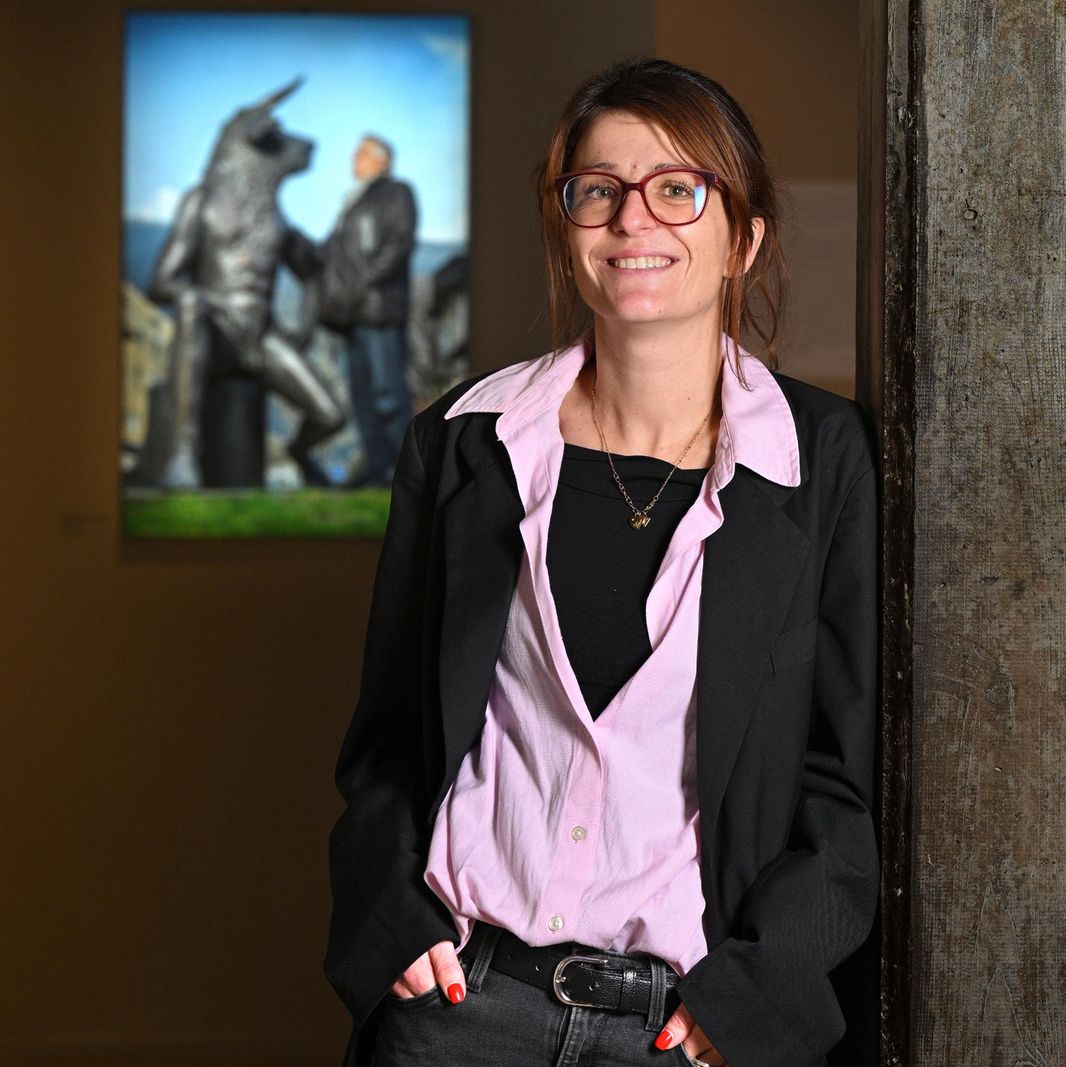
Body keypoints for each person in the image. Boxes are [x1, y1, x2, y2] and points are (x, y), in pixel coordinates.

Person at [326, 58, 878, 1067]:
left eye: (678, 189)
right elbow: (390, 741)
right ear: (565, 224)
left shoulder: (823, 458)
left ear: (742, 237)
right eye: (599, 191)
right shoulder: (461, 444)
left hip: (686, 1029)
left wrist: (757, 993)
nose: (634, 221)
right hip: (459, 1007)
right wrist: (389, 918)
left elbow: (842, 780)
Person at [316, 134, 416, 486]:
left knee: (388, 394)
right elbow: (333, 254)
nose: (353, 159)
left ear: (382, 160)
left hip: (379, 312)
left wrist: (360, 287)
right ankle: (378, 468)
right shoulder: (353, 202)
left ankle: (408, 475)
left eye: (360, 154)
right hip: (353, 317)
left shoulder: (397, 192)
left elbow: (398, 244)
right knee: (362, 398)